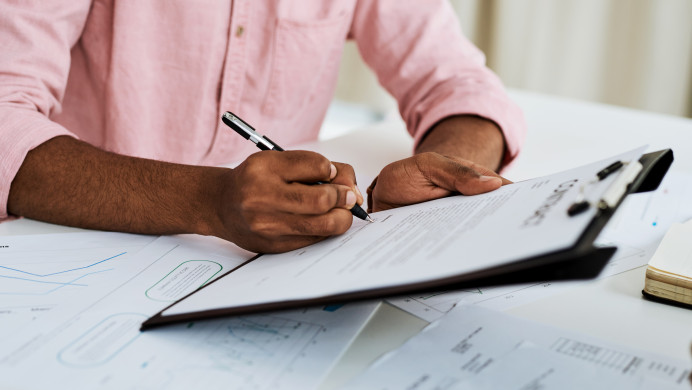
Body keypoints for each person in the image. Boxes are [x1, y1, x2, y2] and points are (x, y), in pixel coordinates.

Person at [0, 1, 525, 253]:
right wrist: (207, 199)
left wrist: (450, 164)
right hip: (72, 250)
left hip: (278, 269)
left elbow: (459, 84)